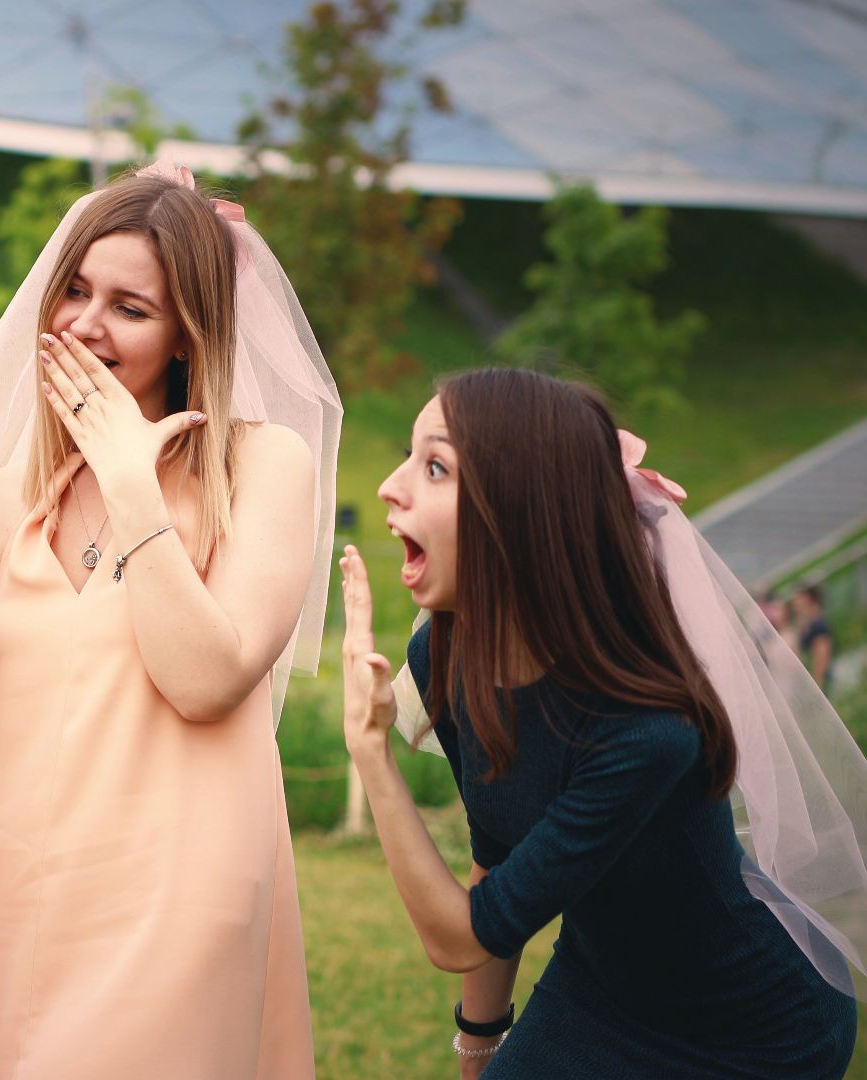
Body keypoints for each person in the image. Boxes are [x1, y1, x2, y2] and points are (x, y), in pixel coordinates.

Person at [0, 164, 340, 1078]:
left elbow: (208, 677)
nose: (84, 324)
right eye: (72, 290)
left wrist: (127, 476)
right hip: (7, 900)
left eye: (129, 307)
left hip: (173, 904)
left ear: (189, 332)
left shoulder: (267, 469)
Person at [340, 368, 863, 1078]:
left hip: (753, 1031)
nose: (390, 486)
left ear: (522, 515)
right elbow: (493, 857)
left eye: (435, 467)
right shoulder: (445, 650)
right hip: (598, 990)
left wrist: (373, 751)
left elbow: (460, 938)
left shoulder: (646, 733)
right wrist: (482, 1047)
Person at [793, 585, 835, 690]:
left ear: (807, 598)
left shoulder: (818, 624)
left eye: (798, 599)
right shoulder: (809, 623)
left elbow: (822, 654)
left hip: (819, 680)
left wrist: (817, 683)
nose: (795, 604)